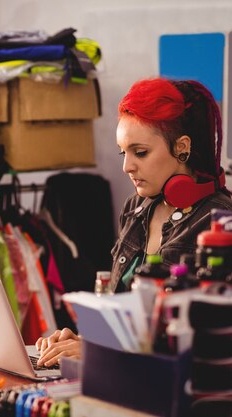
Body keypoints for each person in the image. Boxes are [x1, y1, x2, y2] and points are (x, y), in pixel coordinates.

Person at [36, 77, 232, 367]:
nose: (127, 166)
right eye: (123, 152)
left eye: (140, 152)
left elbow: (212, 346)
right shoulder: (135, 208)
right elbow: (121, 325)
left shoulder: (222, 222)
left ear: (182, 148)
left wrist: (100, 353)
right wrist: (83, 341)